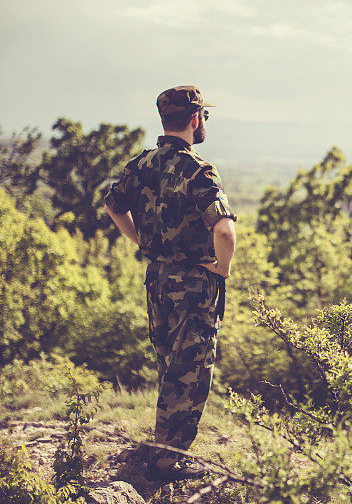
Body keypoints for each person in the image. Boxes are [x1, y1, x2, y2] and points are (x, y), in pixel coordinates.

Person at [103, 85, 237, 482]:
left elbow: (113, 205)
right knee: (191, 374)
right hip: (195, 285)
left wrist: (143, 242)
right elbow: (225, 232)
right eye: (204, 117)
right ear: (195, 119)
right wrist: (223, 268)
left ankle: (163, 448)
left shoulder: (141, 164)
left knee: (169, 366)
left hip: (157, 279)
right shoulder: (197, 170)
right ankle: (165, 462)